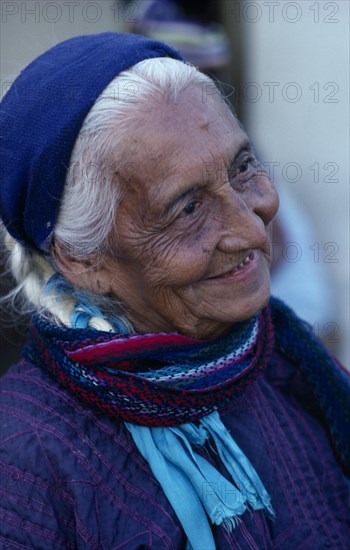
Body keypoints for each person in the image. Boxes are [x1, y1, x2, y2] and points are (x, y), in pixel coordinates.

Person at [0, 33, 349, 550]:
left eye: (243, 168)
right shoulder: (26, 464)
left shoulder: (289, 363)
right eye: (187, 208)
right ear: (83, 260)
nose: (252, 231)